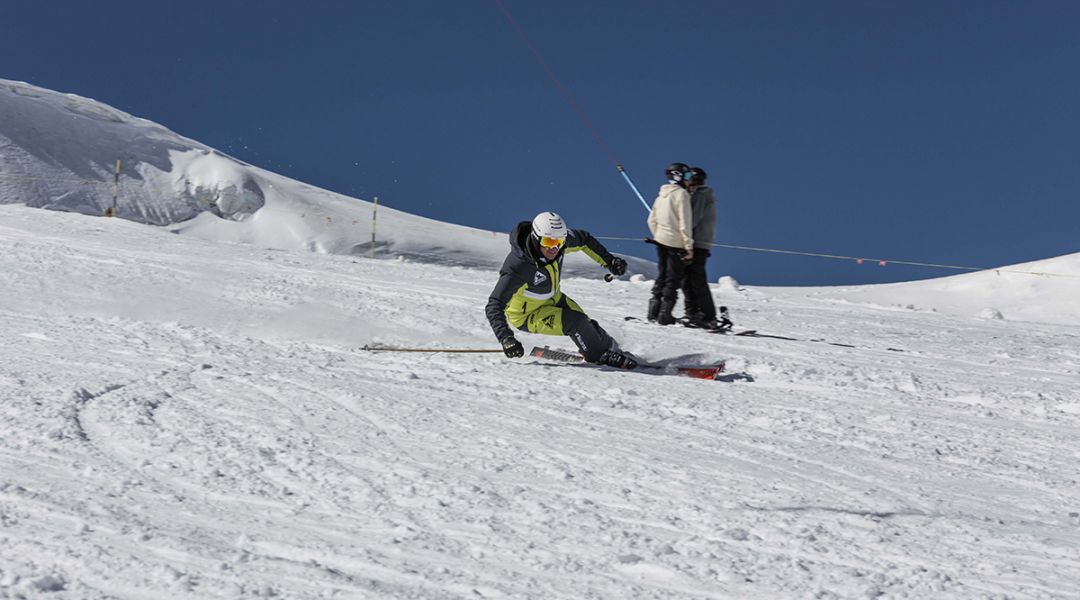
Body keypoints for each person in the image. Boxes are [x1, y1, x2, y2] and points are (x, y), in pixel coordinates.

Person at [486, 211, 636, 369]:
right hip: (527, 315)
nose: (555, 248)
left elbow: (584, 239)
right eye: (549, 242)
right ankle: (598, 356)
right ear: (536, 238)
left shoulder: (558, 243)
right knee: (575, 322)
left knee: (586, 324)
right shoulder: (518, 267)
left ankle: (607, 348)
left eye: (559, 242)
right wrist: (506, 339)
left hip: (553, 298)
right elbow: (494, 304)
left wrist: (610, 261)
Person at [646, 163, 695, 325]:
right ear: (678, 176)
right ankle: (664, 314)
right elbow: (685, 223)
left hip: (661, 240)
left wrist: (659, 235)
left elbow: (651, 220)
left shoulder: (661, 195)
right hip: (676, 243)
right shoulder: (682, 195)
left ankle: (653, 312)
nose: (690, 181)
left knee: (662, 275)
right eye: (687, 177)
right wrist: (688, 247)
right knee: (672, 278)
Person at [680, 166, 721, 329]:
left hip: (696, 244)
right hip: (697, 242)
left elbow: (692, 219)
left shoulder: (700, 195)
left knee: (695, 279)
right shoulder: (700, 194)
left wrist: (678, 233)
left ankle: (706, 315)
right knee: (688, 279)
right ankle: (694, 313)